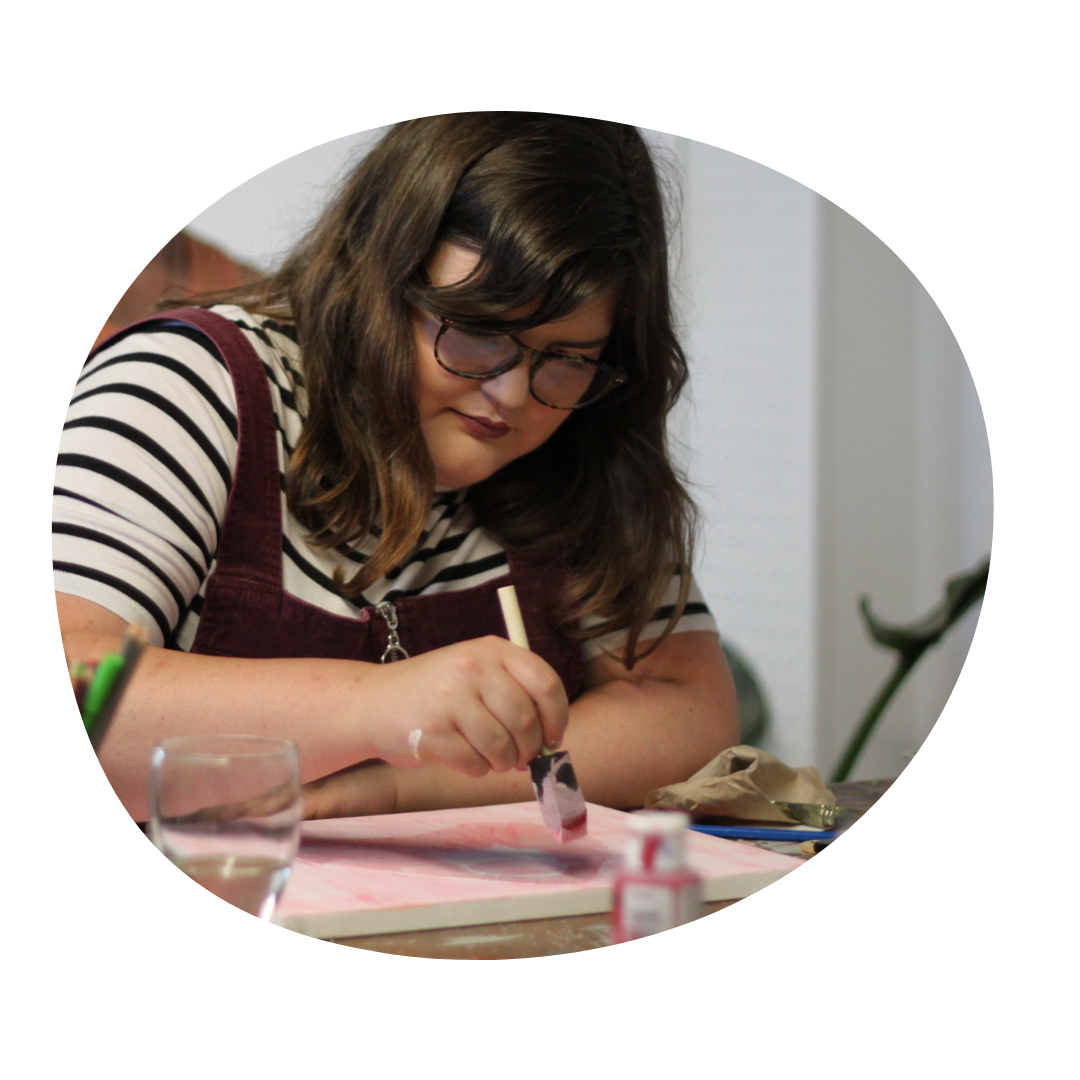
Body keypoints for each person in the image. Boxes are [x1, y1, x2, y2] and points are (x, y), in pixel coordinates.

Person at [55, 114, 740, 824]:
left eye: (566, 358)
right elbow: (84, 687)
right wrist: (376, 708)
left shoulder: (589, 438)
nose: (510, 395)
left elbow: (687, 712)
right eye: (476, 331)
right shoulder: (189, 388)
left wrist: (399, 785)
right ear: (376, 274)